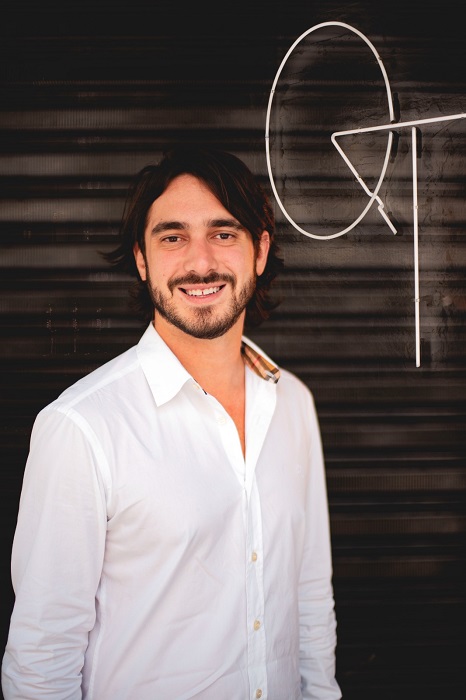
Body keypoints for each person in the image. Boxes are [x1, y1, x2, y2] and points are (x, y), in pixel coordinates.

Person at [2, 144, 342, 700]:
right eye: (173, 237)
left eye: (224, 233)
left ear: (260, 251)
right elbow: (42, 657)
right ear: (142, 259)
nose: (200, 263)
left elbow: (309, 596)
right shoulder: (81, 429)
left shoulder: (293, 404)